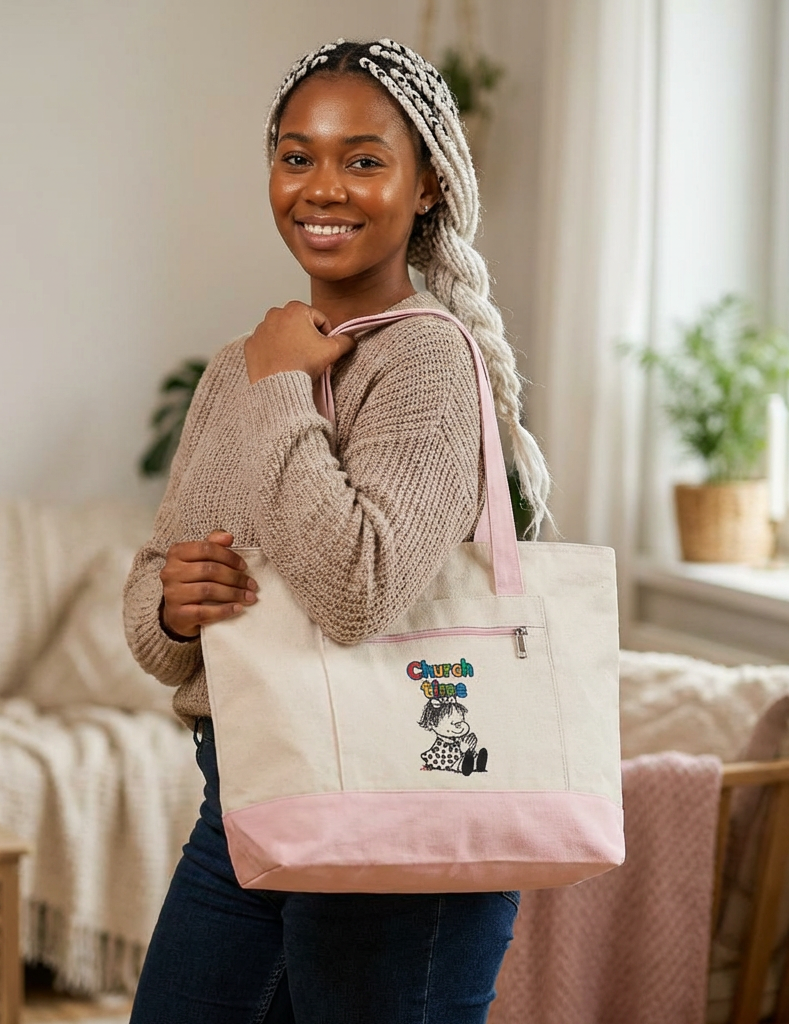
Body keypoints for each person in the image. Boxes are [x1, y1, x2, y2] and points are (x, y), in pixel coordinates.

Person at [123, 38, 552, 1024]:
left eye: (363, 159)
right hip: (245, 805)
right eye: (296, 155)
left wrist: (283, 384)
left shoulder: (425, 363)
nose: (322, 187)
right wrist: (174, 606)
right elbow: (156, 607)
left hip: (405, 829)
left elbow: (356, 591)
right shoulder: (237, 368)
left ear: (427, 185)